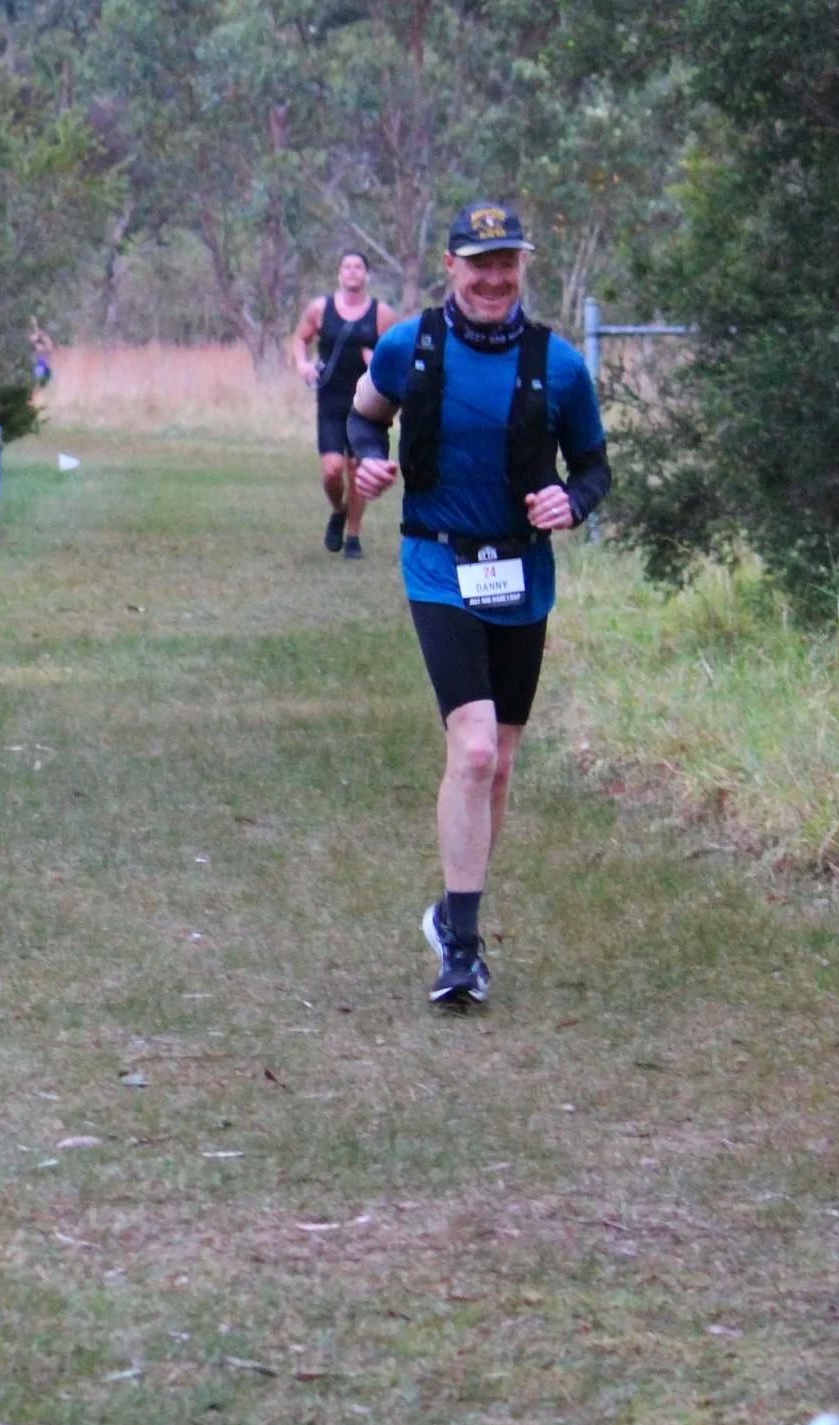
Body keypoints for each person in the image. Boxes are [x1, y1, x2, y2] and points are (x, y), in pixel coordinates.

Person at [345, 202, 611, 1007]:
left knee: (499, 763)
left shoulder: (558, 366)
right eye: (479, 263)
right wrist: (366, 464)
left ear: (522, 267)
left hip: (521, 574)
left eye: (508, 262)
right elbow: (362, 418)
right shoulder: (409, 346)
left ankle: (452, 911)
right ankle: (461, 951)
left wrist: (573, 501)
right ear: (451, 266)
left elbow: (594, 467)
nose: (494, 277)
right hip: (437, 565)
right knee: (474, 752)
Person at [293, 251, 394, 559]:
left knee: (357, 468)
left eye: (358, 267)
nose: (352, 272)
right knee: (333, 469)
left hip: (366, 403)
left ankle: (353, 535)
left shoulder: (381, 314)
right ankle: (338, 510)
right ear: (339, 274)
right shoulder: (320, 308)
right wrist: (303, 365)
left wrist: (376, 361)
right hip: (331, 400)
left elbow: (395, 356)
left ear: (367, 275)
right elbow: (300, 339)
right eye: (347, 267)